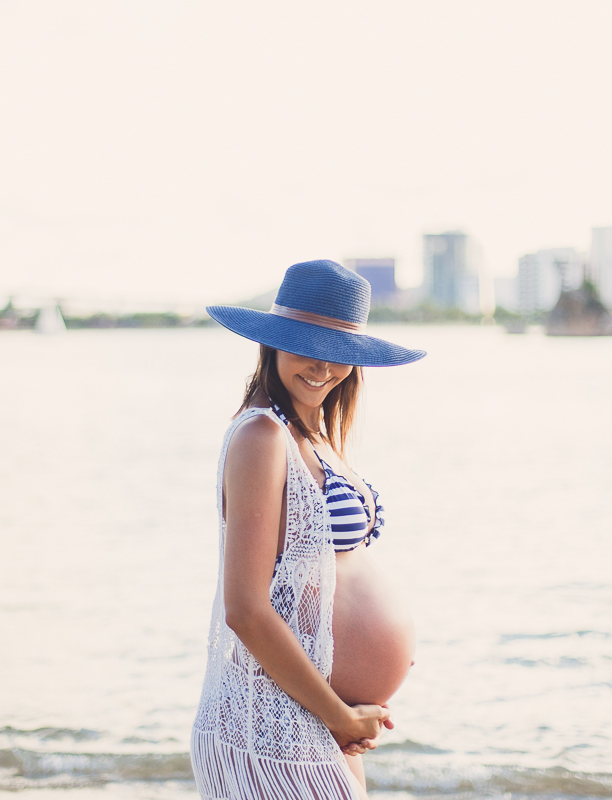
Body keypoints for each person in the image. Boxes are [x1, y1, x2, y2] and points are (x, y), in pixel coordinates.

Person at [191, 260, 426, 800]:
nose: (323, 367)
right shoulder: (262, 437)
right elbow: (246, 609)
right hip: (276, 722)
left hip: (315, 719)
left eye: (338, 351)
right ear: (272, 343)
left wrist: (348, 707)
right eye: (305, 346)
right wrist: (340, 714)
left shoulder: (312, 432)